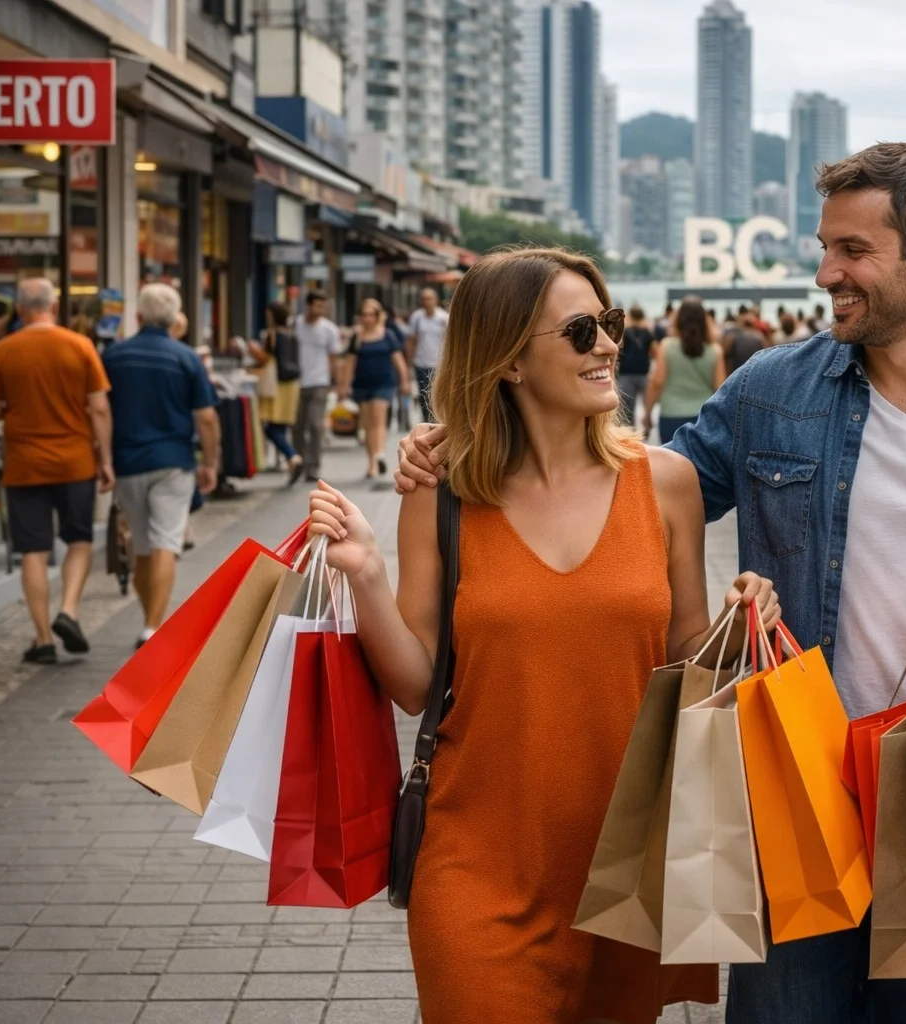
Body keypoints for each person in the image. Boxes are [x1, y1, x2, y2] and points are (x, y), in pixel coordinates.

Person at [397, 142, 906, 1024]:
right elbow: (623, 494)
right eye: (824, 246)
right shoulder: (772, 393)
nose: (824, 271)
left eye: (851, 251)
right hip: (794, 801)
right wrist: (461, 439)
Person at [307, 247, 781, 1023]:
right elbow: (415, 685)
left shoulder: (665, 483)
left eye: (612, 323)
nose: (607, 345)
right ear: (510, 361)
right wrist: (363, 572)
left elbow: (686, 663)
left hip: (625, 868)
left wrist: (743, 624)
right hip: (475, 863)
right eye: (581, 329)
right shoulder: (444, 493)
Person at [0, 278, 114, 665]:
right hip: (75, 462)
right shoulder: (80, 346)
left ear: (20, 311)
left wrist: (15, 409)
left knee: (33, 552)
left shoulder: (3, 351)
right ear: (53, 307)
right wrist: (105, 460)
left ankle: (42, 641)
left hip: (24, 465)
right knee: (79, 540)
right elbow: (99, 408)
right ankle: (68, 611)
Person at [103, 284, 221, 648]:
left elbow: (100, 411)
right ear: (174, 319)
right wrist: (211, 463)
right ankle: (153, 626)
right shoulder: (186, 358)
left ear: (137, 317)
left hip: (128, 463)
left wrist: (103, 459)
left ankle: (148, 619)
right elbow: (206, 418)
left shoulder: (114, 356)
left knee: (141, 546)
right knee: (165, 544)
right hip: (173, 462)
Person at [339, 297, 410, 480]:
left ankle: (379, 455)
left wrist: (404, 381)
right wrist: (344, 386)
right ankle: (371, 463)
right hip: (362, 385)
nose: (368, 318)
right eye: (364, 314)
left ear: (378, 316)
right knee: (367, 424)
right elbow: (349, 363)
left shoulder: (387, 335)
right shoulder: (357, 336)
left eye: (371, 314)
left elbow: (398, 360)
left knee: (378, 420)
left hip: (384, 383)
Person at [644, 299, 726, 444]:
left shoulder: (666, 346)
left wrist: (648, 413)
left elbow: (657, 382)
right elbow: (720, 388)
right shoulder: (715, 351)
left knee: (671, 464)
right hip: (703, 419)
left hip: (671, 415)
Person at [248, 301, 303, 484]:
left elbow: (265, 358)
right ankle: (290, 461)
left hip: (276, 385)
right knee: (280, 426)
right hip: (292, 384)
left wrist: (251, 349)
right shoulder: (292, 334)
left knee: (271, 428)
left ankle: (292, 457)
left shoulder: (273, 334)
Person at [292, 291, 342, 476]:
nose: (321, 310)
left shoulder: (329, 329)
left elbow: (334, 358)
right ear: (308, 305)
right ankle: (299, 461)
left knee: (314, 423)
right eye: (318, 305)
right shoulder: (296, 325)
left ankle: (313, 465)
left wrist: (337, 383)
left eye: (324, 306)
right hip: (296, 383)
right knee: (297, 425)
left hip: (319, 381)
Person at [407, 287, 449, 424]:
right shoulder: (417, 318)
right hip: (421, 362)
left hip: (440, 364)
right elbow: (411, 341)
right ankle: (427, 421)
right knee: (424, 395)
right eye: (424, 299)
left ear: (435, 300)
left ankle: (439, 421)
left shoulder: (444, 317)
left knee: (439, 395)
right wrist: (409, 361)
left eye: (429, 298)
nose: (427, 302)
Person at [616, 305, 658, 426]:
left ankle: (630, 433)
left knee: (627, 408)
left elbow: (618, 349)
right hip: (643, 373)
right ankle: (647, 426)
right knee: (647, 404)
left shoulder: (625, 332)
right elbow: (655, 353)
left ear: (630, 316)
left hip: (626, 373)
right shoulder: (648, 334)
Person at [722, 306, 766, 373]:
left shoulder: (732, 336)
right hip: (753, 371)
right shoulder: (759, 337)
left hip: (736, 372)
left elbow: (726, 355)